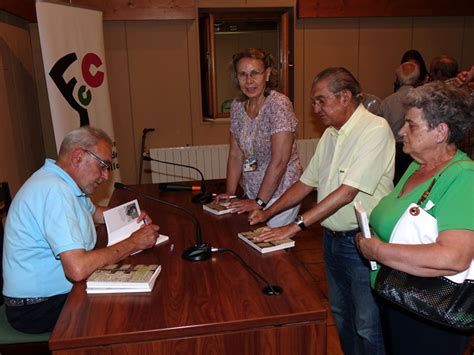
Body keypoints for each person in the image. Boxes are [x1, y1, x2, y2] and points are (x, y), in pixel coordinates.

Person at [249, 67, 395, 355]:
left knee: (367, 324)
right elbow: (305, 184)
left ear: (345, 97)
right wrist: (265, 211)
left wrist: (294, 227)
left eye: (320, 101)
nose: (315, 109)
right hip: (333, 241)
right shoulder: (331, 134)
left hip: (361, 244)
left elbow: (346, 193)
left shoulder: (375, 129)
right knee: (341, 316)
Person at [2, 126, 160, 334]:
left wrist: (133, 218)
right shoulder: (54, 190)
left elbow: (95, 213)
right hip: (37, 308)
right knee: (130, 311)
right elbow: (77, 269)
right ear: (78, 157)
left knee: (136, 293)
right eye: (102, 166)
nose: (105, 176)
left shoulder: (62, 181)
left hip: (51, 297)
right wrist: (133, 243)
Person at [356, 81, 474, 355]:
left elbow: (453, 258)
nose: (401, 131)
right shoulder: (417, 167)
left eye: (411, 125)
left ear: (440, 132)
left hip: (431, 310)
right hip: (397, 296)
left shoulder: (464, 177)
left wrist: (378, 250)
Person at [215, 48, 302, 227]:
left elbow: (279, 161)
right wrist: (230, 194)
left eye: (255, 73)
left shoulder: (278, 105)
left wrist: (259, 202)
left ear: (268, 75)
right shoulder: (237, 106)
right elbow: (235, 155)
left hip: (280, 193)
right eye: (243, 74)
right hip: (253, 191)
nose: (249, 81)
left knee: (271, 246)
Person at [380, 61, 420, 183]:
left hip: (394, 151)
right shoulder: (423, 101)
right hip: (416, 150)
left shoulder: (387, 102)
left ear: (397, 78)